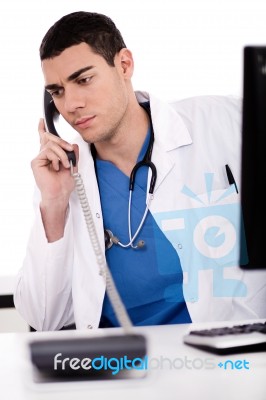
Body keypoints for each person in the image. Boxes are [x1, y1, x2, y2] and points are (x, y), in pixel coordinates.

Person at [14, 11, 266, 331]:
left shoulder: (225, 121)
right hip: (123, 367)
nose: (71, 103)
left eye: (83, 79)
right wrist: (53, 204)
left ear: (124, 65)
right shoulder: (63, 177)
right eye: (57, 91)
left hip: (228, 354)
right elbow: (44, 318)